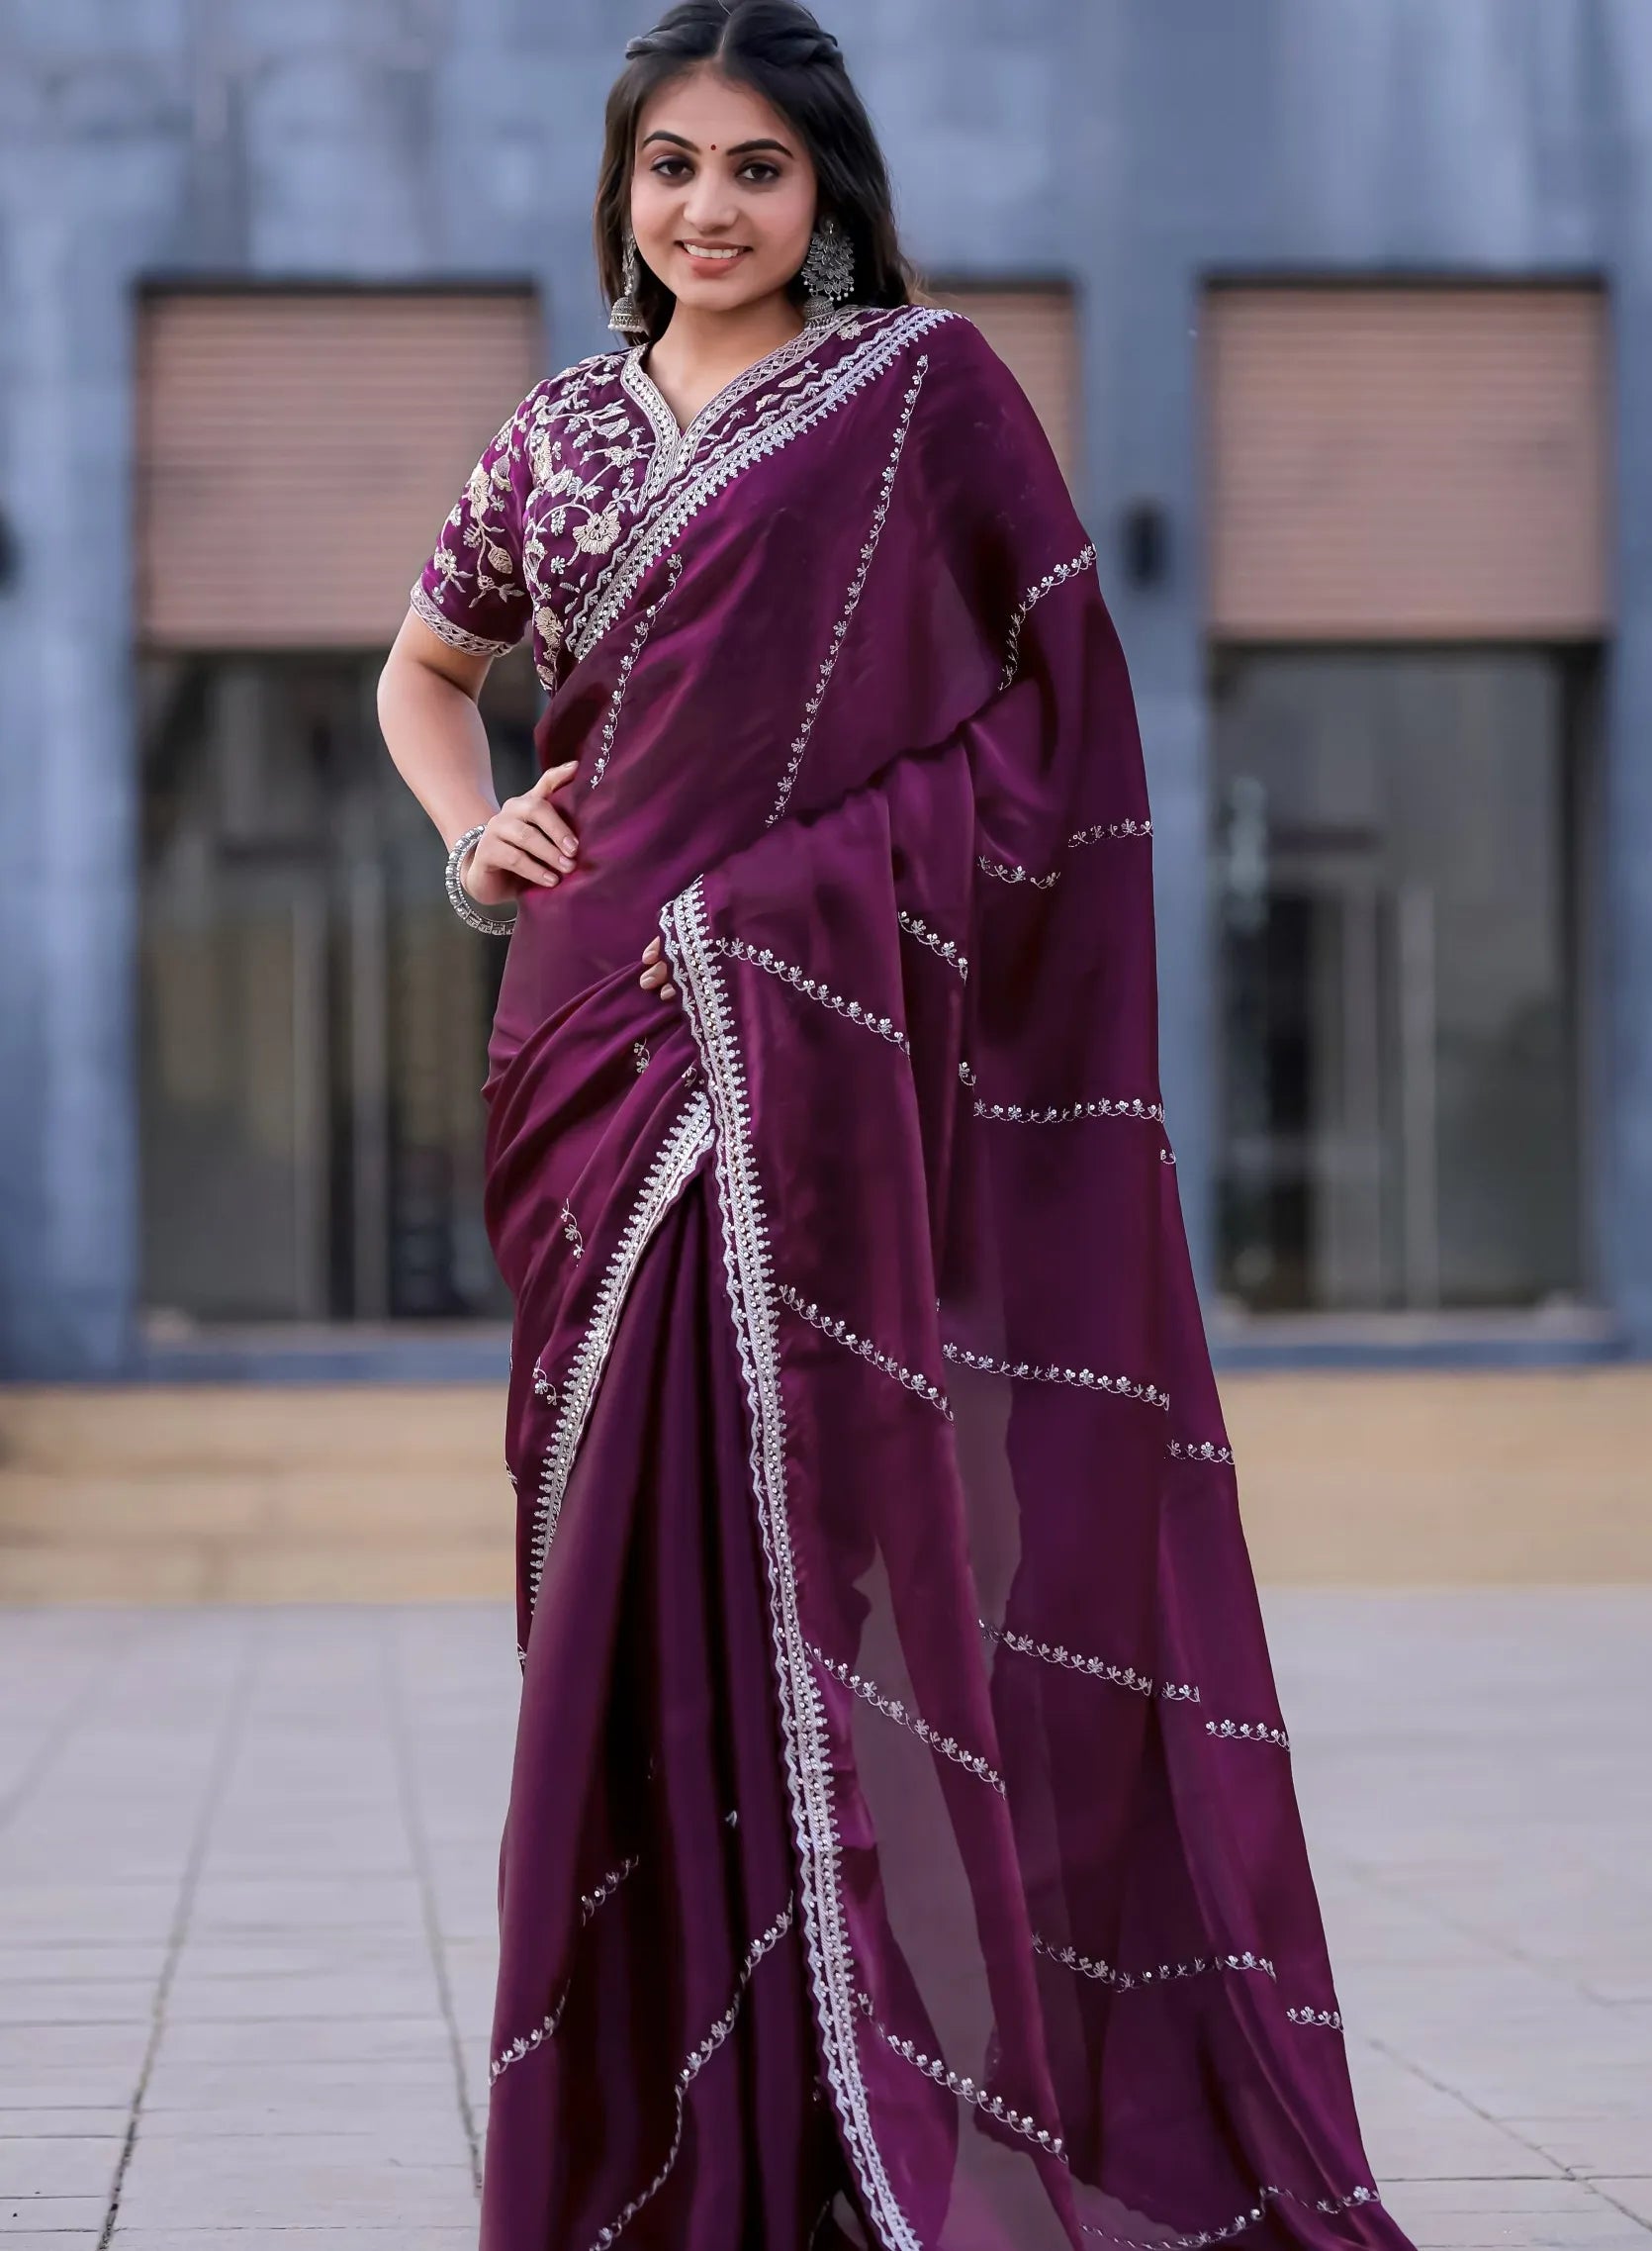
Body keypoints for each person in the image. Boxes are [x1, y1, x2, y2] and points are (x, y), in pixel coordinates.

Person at [378, 6, 1417, 2248]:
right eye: (672, 167)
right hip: (590, 1052)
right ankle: (678, 2122)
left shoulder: (920, 401)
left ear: (825, 190)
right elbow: (421, 667)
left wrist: (778, 913)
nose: (711, 211)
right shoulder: (555, 439)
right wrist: (479, 843)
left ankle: (870, 2097)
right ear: (620, 191)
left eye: (758, 169)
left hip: (794, 1028)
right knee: (626, 1580)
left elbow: (1057, 738)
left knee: (828, 1538)